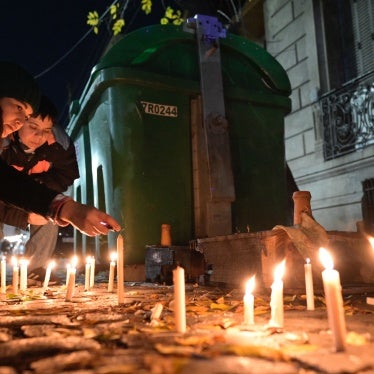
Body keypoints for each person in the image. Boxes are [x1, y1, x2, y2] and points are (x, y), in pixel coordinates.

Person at [0, 61, 121, 237]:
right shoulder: (6, 147)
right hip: (12, 208)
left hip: (28, 202)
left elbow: (8, 183)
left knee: (45, 218)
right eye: (18, 107)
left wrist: (64, 208)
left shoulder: (58, 148)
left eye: (25, 115)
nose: (19, 120)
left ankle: (37, 265)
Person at [0, 94, 80, 280]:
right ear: (20, 122)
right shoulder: (3, 143)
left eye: (46, 130)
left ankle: (34, 268)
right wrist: (24, 216)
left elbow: (66, 175)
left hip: (33, 195)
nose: (39, 136)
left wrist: (40, 187)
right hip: (4, 198)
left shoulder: (58, 145)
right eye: (33, 127)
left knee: (52, 211)